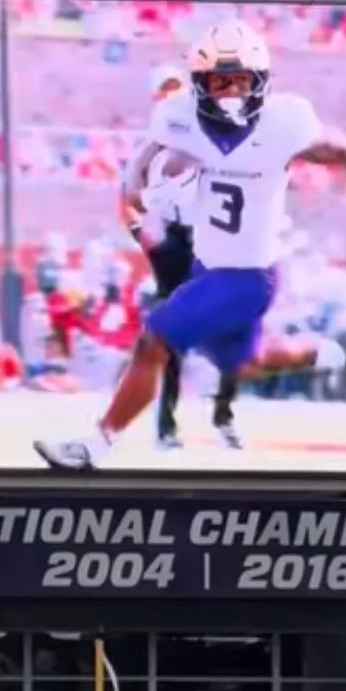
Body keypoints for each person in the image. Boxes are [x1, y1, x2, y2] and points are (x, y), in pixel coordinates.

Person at [34, 18, 346, 472]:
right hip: (208, 267)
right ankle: (339, 352)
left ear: (261, 83)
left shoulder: (283, 123)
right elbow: (146, 162)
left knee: (154, 341)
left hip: (249, 276)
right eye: (219, 80)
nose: (231, 91)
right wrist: (147, 189)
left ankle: (94, 445)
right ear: (200, 84)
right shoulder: (180, 118)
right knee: (246, 363)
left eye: (240, 80)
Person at [130, 66, 241, 451]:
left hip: (211, 238)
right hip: (174, 241)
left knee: (234, 325)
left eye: (178, 89)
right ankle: (166, 426)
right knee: (171, 339)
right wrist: (147, 237)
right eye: (166, 91)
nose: (174, 97)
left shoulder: (210, 133)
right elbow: (132, 199)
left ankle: (223, 413)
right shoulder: (150, 149)